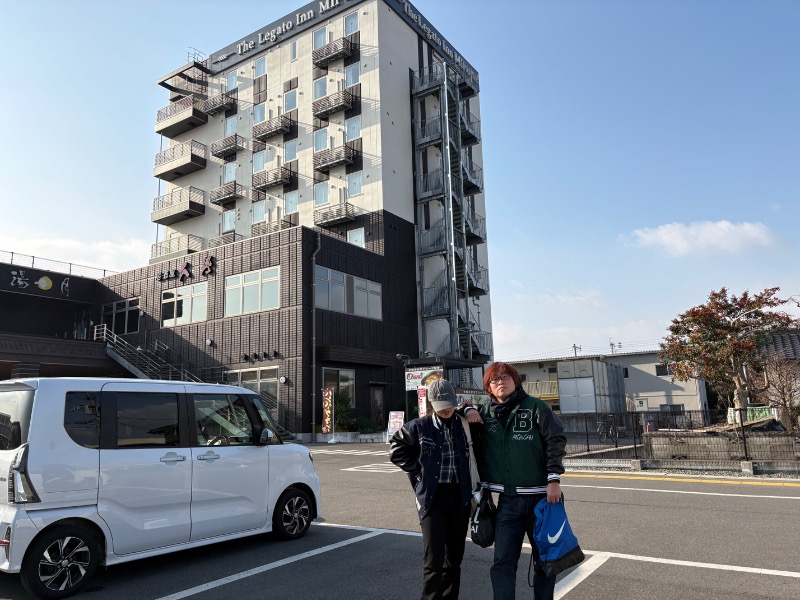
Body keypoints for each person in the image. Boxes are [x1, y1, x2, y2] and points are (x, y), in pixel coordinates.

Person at [468, 362, 567, 600]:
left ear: (516, 380)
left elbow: (555, 440)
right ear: (488, 387)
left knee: (545, 561)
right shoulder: (484, 413)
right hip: (508, 501)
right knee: (502, 562)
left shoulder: (535, 407)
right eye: (494, 380)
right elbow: (456, 419)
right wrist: (467, 408)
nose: (500, 382)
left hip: (542, 500)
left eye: (505, 377)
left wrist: (554, 479)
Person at [389, 379, 482, 600]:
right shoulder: (419, 426)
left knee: (454, 560)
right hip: (433, 499)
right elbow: (395, 450)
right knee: (433, 561)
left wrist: (469, 409)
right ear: (431, 404)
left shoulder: (463, 424)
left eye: (450, 405)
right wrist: (418, 472)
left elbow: (481, 412)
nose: (446, 410)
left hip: (460, 497)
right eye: (441, 406)